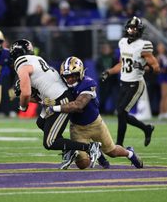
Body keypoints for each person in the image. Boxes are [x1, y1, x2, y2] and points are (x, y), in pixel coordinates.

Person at [10, 39, 101, 170]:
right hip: (53, 97)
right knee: (41, 123)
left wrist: (22, 106)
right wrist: (33, 97)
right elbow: (40, 95)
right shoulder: (35, 59)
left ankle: (90, 147)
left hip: (59, 98)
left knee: (49, 142)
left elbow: (25, 93)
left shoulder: (21, 62)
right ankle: (68, 150)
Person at [45, 56, 143, 169]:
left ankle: (129, 153)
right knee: (83, 164)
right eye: (67, 76)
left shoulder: (88, 83)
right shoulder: (62, 86)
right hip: (77, 128)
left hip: (95, 124)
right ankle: (95, 151)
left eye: (73, 75)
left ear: (80, 73)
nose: (70, 79)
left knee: (112, 152)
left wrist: (54, 108)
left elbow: (78, 105)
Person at [101, 16, 160, 147]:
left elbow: (156, 67)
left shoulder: (143, 45)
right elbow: (122, 64)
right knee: (121, 113)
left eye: (134, 28)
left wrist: (144, 67)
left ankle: (119, 144)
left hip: (136, 83)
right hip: (124, 83)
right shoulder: (122, 42)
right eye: (129, 28)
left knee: (121, 112)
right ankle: (146, 128)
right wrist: (109, 72)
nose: (131, 30)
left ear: (139, 30)